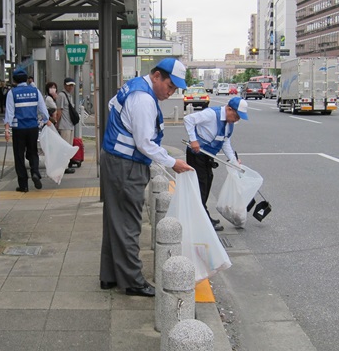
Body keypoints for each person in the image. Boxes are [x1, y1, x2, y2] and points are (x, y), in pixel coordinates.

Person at [99, 58, 193, 297]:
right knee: (129, 224)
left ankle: (109, 276)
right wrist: (173, 162)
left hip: (115, 158)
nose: (170, 92)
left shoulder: (134, 86)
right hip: (126, 165)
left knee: (115, 221)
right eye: (169, 86)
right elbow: (144, 143)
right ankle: (132, 281)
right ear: (156, 76)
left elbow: (113, 106)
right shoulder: (143, 99)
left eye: (174, 89)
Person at [183, 96, 248, 231]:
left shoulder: (229, 124)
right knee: (201, 185)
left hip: (208, 156)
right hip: (197, 154)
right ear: (229, 109)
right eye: (237, 115)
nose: (237, 119)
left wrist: (233, 161)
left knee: (207, 182)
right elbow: (188, 119)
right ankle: (201, 219)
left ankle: (202, 215)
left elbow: (225, 142)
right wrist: (193, 140)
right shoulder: (211, 114)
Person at [4, 68, 51, 192]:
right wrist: (47, 120)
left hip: (19, 128)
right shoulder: (35, 91)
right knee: (33, 152)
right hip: (32, 127)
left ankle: (23, 185)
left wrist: (7, 129)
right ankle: (35, 172)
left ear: (14, 80)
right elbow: (42, 108)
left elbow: (10, 112)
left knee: (19, 156)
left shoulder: (12, 93)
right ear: (26, 79)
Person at [55, 77, 77, 174]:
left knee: (68, 147)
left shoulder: (69, 96)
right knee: (64, 147)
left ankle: (67, 165)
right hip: (64, 125)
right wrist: (56, 123)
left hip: (70, 125)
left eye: (72, 85)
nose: (71, 87)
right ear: (64, 85)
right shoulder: (61, 95)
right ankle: (63, 167)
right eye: (69, 85)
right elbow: (59, 111)